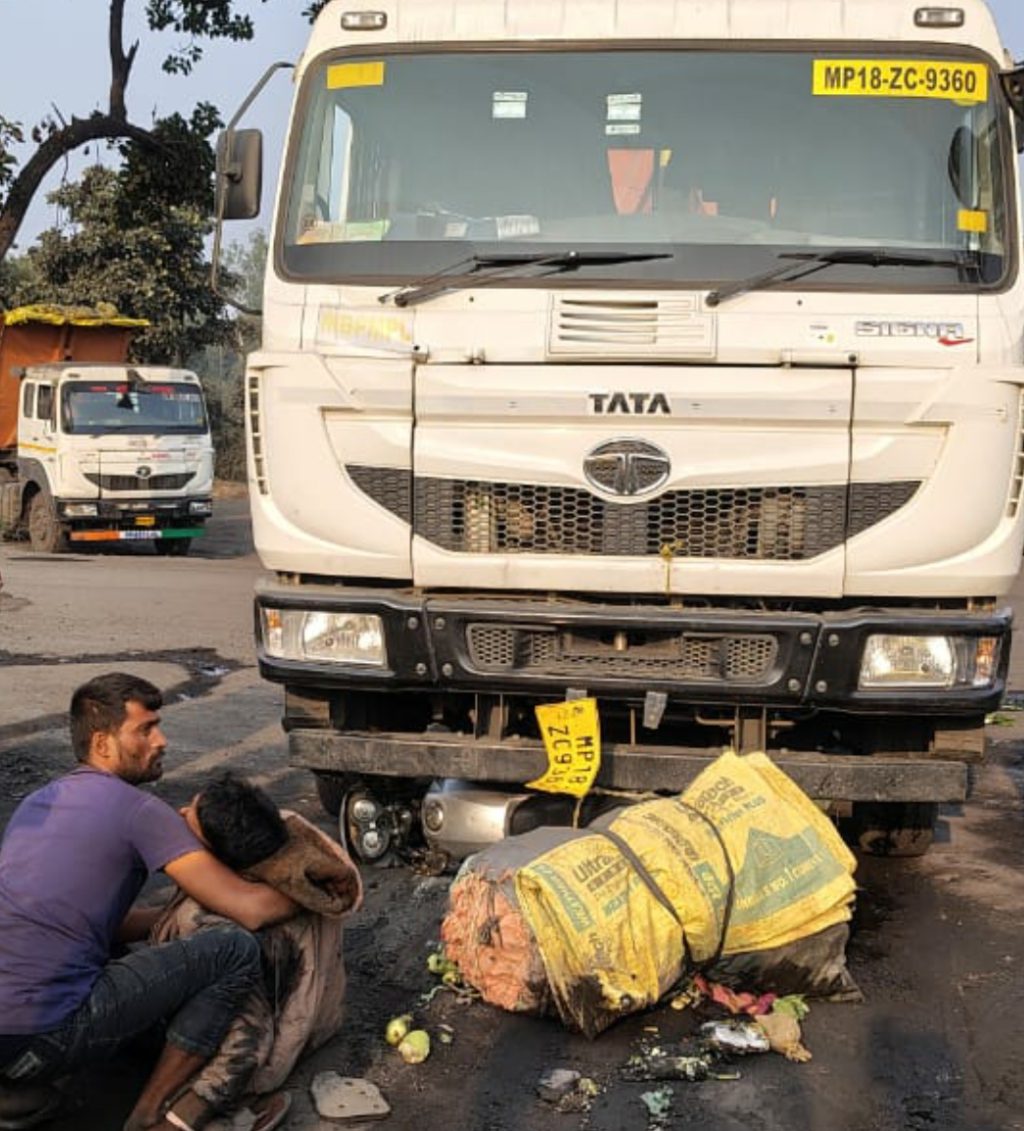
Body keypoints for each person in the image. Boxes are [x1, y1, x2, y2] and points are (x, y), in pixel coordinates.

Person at [0, 673, 300, 1131]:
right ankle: (155, 1115)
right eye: (145, 729)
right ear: (102, 743)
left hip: (7, 1037)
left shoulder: (39, 802)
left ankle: (20, 1093)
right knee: (233, 950)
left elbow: (91, 925)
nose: (161, 740)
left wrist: (164, 917)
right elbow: (251, 910)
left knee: (116, 952)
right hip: (42, 1035)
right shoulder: (137, 810)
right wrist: (311, 894)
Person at [147, 772, 362, 1131]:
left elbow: (247, 1043)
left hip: (269, 1052)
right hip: (321, 1021)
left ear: (221, 857)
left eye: (190, 819)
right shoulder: (294, 850)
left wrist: (182, 1115)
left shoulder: (220, 923)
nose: (181, 813)